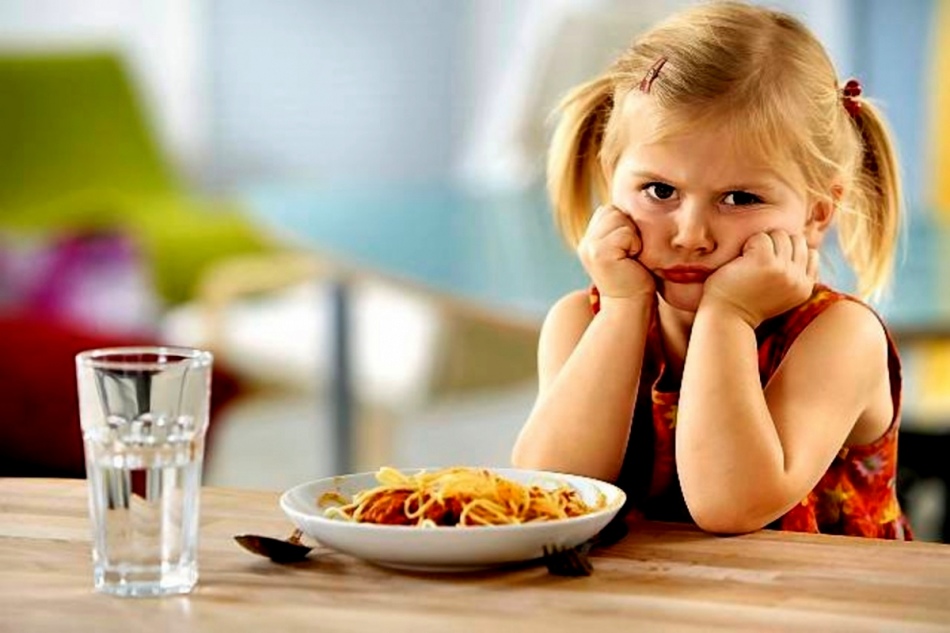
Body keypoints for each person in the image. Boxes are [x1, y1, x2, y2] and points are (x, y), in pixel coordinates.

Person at [511, 0, 912, 539]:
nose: (691, 235)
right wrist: (625, 311)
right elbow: (551, 494)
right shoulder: (580, 323)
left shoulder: (839, 337)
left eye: (740, 197)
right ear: (612, 182)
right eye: (660, 191)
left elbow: (730, 505)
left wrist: (729, 316)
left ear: (817, 213)